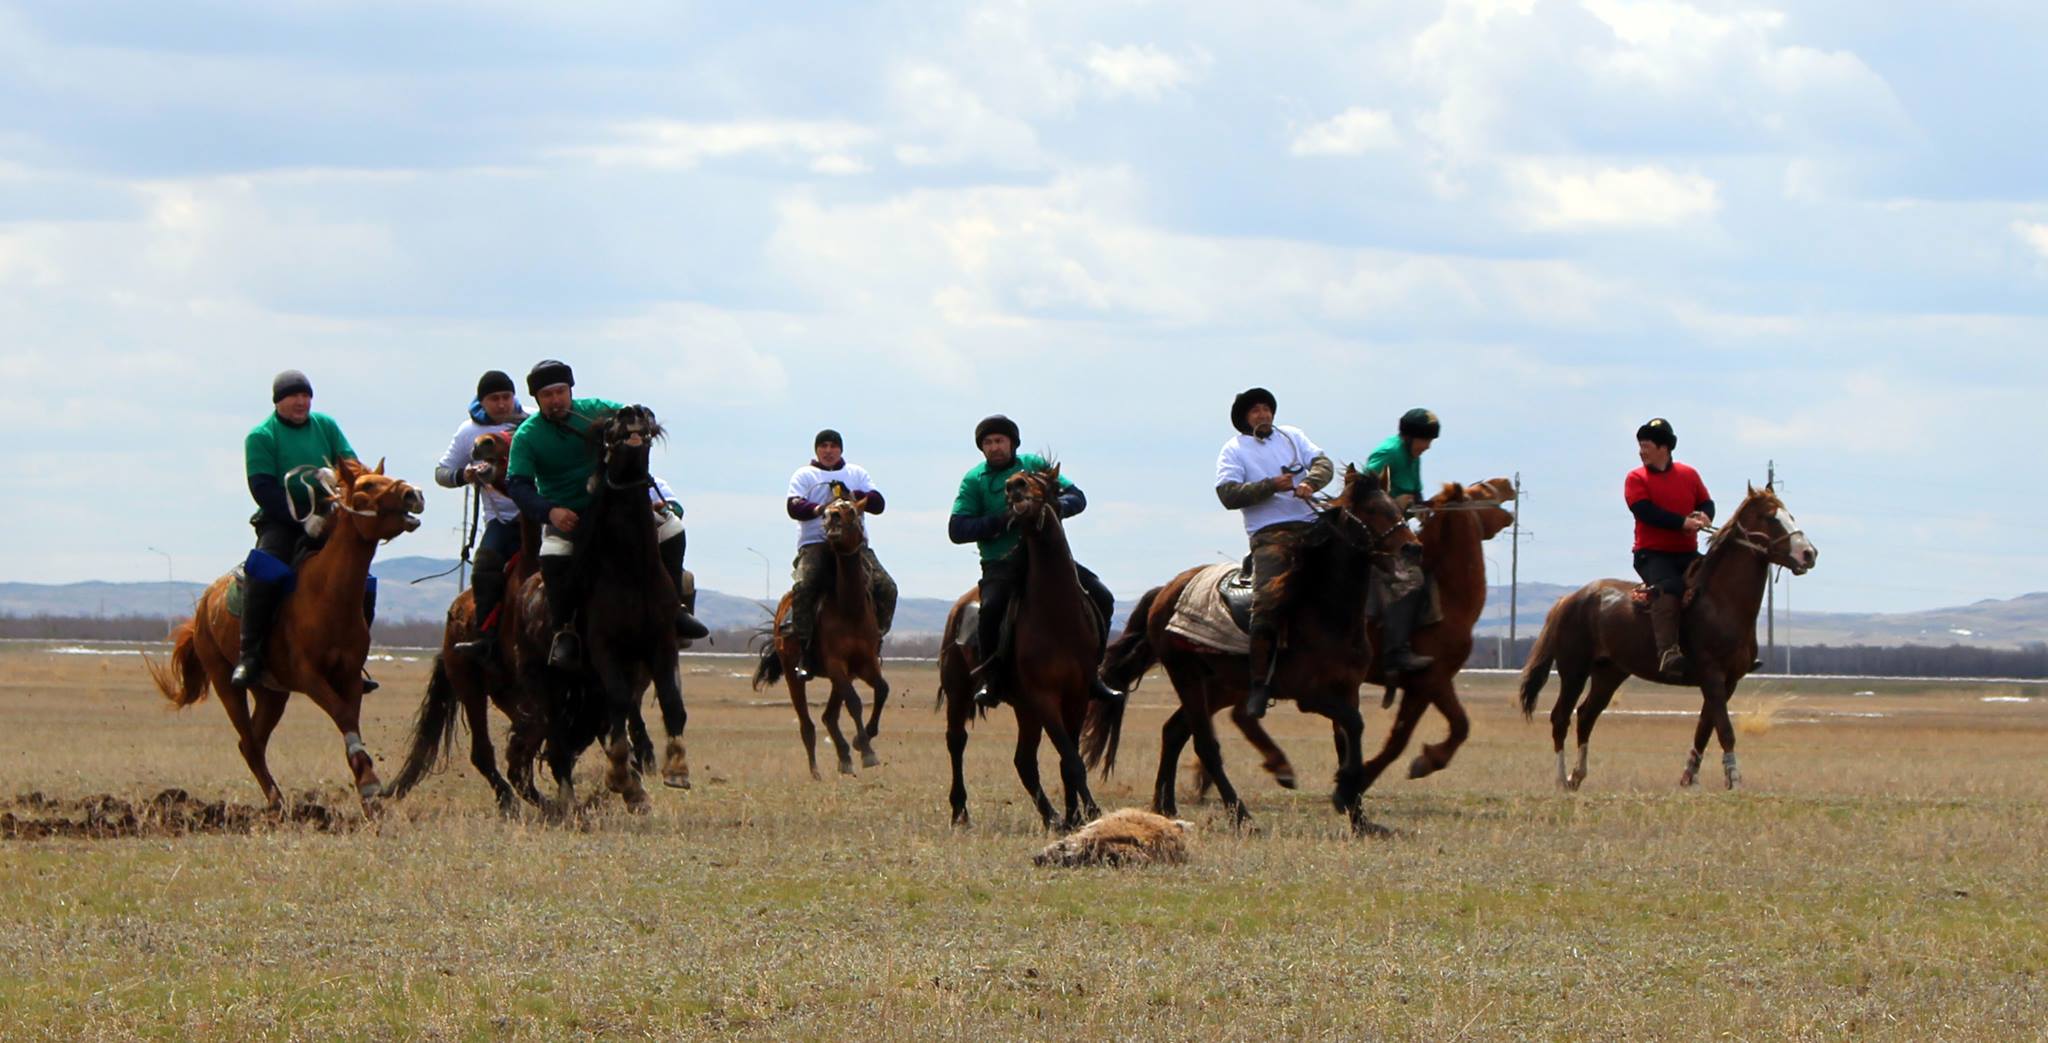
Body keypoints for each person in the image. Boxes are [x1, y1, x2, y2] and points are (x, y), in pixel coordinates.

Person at [503, 359, 709, 669]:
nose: (556, 400)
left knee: (672, 528)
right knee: (553, 553)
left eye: (561, 391)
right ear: (536, 399)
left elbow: (637, 415)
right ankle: (565, 630)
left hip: (614, 509)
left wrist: (641, 420)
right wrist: (551, 512)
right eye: (547, 395)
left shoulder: (595, 409)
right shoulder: (527, 436)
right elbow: (518, 486)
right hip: (568, 515)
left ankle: (674, 608)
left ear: (571, 390)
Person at [946, 415, 1122, 709]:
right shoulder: (973, 480)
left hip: (1048, 559)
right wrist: (1002, 520)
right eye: (988, 443)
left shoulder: (1034, 465)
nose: (995, 447)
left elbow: (1077, 497)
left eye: (1000, 441)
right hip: (1000, 564)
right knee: (990, 610)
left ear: (1013, 443)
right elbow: (957, 529)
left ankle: (1093, 675)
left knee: (1103, 596)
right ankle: (991, 680)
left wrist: (1055, 506)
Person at [232, 370, 379, 693]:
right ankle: (251, 655)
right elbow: (263, 489)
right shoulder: (262, 436)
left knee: (362, 580)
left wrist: (339, 477)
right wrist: (300, 521)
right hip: (281, 520)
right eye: (293, 396)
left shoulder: (325, 425)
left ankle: (355, 662)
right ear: (278, 402)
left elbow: (353, 468)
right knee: (264, 568)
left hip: (329, 517)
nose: (301, 402)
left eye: (306, 395)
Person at [1214, 388, 1335, 719]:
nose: (1263, 414)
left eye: (1266, 408)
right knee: (1267, 602)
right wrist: (1271, 485)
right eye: (1255, 411)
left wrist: (1312, 481)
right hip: (1271, 534)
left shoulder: (1292, 435)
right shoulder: (1234, 450)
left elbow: (1323, 463)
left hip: (1314, 523)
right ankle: (1259, 685)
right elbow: (1227, 494)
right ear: (1244, 418)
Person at [783, 429, 899, 681]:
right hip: (816, 544)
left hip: (855, 546)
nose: (828, 450)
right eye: (823, 446)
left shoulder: (856, 473)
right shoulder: (805, 475)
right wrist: (819, 508)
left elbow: (878, 502)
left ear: (841, 450)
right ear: (816, 450)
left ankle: (874, 639)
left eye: (833, 446)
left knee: (887, 587)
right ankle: (804, 649)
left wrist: (854, 496)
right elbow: (793, 506)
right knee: (804, 586)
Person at [437, 370, 527, 661]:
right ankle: (486, 637)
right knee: (485, 565)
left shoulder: (533, 421)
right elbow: (441, 473)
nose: (501, 404)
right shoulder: (468, 432)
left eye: (506, 397)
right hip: (502, 520)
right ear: (482, 401)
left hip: (542, 514)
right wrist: (464, 475)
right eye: (494, 399)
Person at [1626, 417, 1714, 680]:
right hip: (1651, 554)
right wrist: (1682, 523)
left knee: (1713, 586)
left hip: (1686, 553)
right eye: (1640, 446)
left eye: (1646, 445)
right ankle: (1667, 651)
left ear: (1664, 448)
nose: (1641, 451)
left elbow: (1706, 502)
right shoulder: (1635, 478)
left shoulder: (1689, 474)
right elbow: (1645, 512)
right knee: (1671, 588)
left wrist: (1705, 516)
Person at [1367, 408, 1439, 510]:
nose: (1428, 446)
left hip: (1399, 521)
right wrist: (1394, 504)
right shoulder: (1389, 453)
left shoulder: (1414, 455)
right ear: (1408, 437)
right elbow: (1363, 494)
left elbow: (1416, 492)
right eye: (1425, 440)